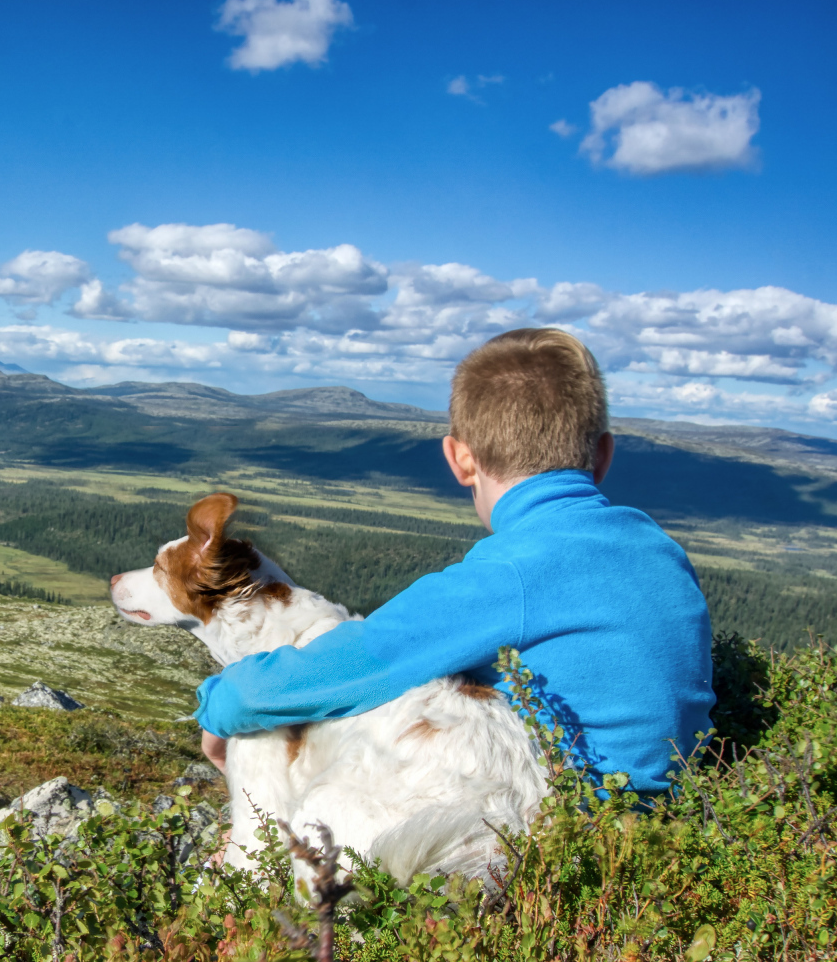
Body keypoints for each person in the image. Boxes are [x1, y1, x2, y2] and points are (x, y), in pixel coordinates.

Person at [194, 328, 715, 796]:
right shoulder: (661, 551)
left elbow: (353, 662)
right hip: (680, 822)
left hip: (568, 835)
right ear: (603, 454)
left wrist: (220, 708)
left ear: (460, 458)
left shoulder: (511, 574)